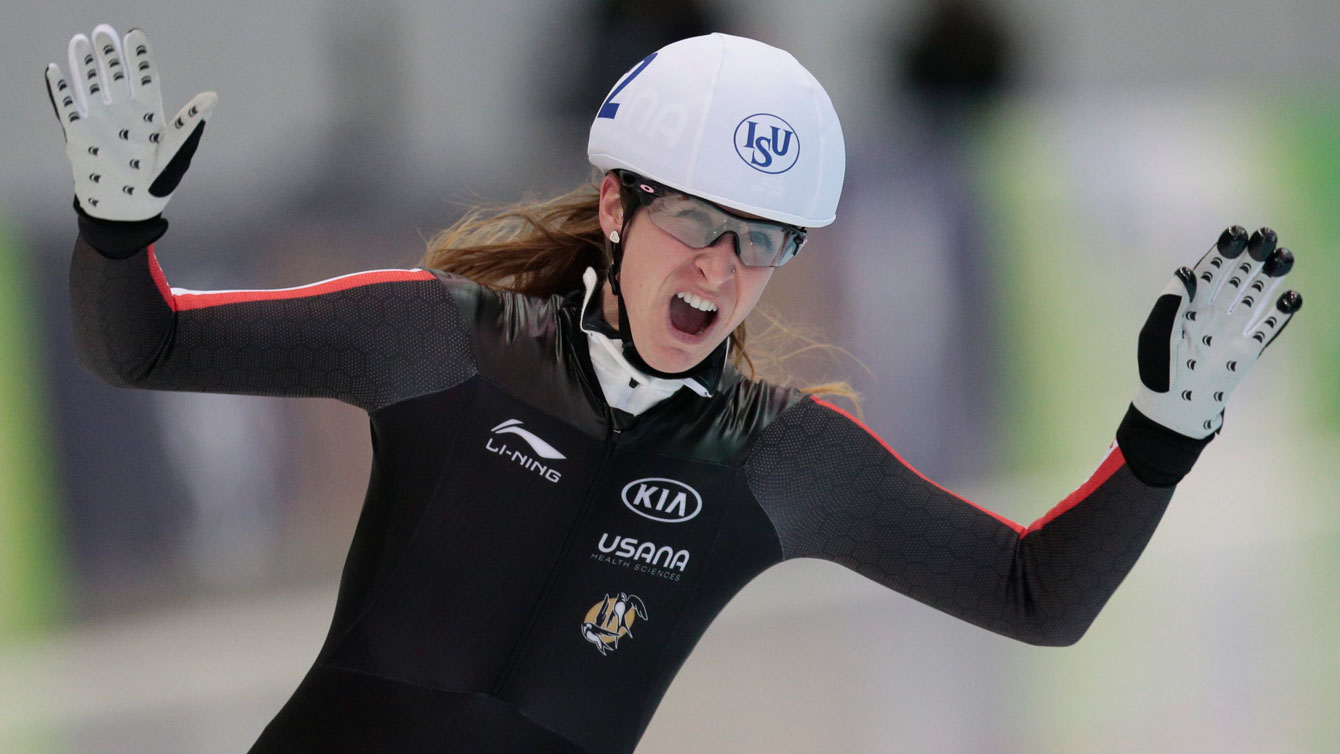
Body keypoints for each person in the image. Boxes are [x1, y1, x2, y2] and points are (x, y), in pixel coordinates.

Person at [48, 23, 1303, 754]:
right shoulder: (438, 340)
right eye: (696, 220)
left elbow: (1035, 599)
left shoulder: (780, 459)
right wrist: (114, 232)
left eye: (761, 241)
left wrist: (1162, 436)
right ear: (614, 206)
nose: (719, 267)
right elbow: (142, 349)